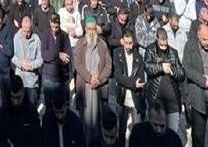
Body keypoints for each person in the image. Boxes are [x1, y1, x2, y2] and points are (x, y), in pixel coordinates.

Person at [75, 16, 112, 147]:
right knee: (85, 122)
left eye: (93, 29)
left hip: (98, 88)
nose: (91, 32)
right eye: (89, 29)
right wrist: (90, 78)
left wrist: (99, 80)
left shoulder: (102, 44)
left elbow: (109, 65)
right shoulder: (80, 44)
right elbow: (78, 64)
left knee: (97, 122)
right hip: (85, 87)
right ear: (85, 30)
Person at [144, 28, 184, 137]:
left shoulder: (173, 52)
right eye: (161, 45)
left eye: (165, 45)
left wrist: (172, 71)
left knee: (172, 134)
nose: (163, 47)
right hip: (156, 98)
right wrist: (161, 67)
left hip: (172, 101)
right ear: (157, 40)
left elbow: (181, 74)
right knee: (154, 134)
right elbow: (147, 67)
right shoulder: (150, 50)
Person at [112, 30, 144, 147]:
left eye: (130, 43)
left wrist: (132, 83)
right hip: (123, 96)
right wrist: (132, 83)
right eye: (126, 43)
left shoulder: (139, 57)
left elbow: (140, 78)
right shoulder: (118, 54)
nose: (128, 46)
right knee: (121, 129)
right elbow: (118, 77)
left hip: (135, 97)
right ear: (123, 42)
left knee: (137, 131)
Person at [0, 75, 41, 147]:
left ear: (23, 91)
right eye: (13, 97)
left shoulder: (31, 112)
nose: (15, 102)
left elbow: (37, 139)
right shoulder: (4, 110)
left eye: (18, 97)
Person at [11, 15, 43, 107]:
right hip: (19, 77)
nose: (26, 34)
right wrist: (21, 64)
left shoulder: (36, 39)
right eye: (24, 31)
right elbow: (13, 56)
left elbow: (40, 59)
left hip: (31, 80)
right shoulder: (16, 37)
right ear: (21, 27)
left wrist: (31, 65)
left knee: (31, 107)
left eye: (28, 31)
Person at [40, 12, 72, 104]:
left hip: (62, 78)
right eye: (53, 26)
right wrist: (58, 54)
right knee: (49, 107)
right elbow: (44, 55)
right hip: (49, 78)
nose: (54, 29)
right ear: (50, 23)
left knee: (64, 106)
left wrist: (53, 58)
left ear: (59, 25)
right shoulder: (45, 35)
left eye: (56, 27)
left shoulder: (64, 36)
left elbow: (67, 57)